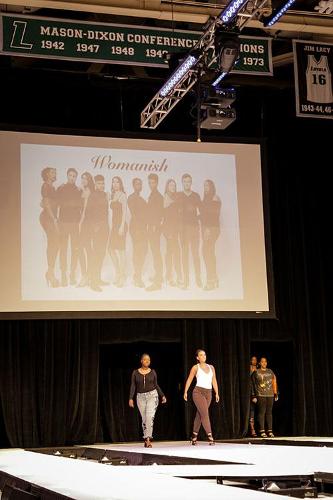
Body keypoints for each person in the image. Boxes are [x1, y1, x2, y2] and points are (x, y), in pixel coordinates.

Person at [129, 353, 167, 448]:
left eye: (149, 360)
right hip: (140, 397)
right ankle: (146, 438)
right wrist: (130, 398)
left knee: (150, 417)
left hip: (152, 396)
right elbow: (133, 386)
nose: (147, 361)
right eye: (145, 359)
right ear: (141, 361)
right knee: (144, 419)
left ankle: (148, 439)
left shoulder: (153, 372)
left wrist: (162, 395)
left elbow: (156, 385)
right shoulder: (135, 373)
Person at [183, 349, 220, 445]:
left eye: (204, 355)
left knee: (200, 415)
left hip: (209, 393)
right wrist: (185, 391)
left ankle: (194, 436)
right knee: (204, 414)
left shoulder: (211, 367)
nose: (203, 356)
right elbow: (189, 379)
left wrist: (217, 393)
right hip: (198, 392)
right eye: (201, 355)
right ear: (197, 358)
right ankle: (210, 436)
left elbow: (214, 380)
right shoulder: (195, 367)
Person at [56, 168, 82, 286]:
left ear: (76, 177)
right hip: (63, 223)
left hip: (75, 223)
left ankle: (72, 274)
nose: (72, 178)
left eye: (74, 176)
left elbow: (81, 207)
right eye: (70, 175)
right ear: (67, 176)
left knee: (75, 249)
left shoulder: (78, 190)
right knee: (63, 249)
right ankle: (63, 275)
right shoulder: (61, 188)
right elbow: (56, 204)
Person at [84, 174, 109, 292]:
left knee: (102, 253)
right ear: (95, 184)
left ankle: (98, 278)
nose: (102, 185)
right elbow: (88, 213)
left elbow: (105, 212)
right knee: (95, 254)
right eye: (99, 183)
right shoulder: (92, 196)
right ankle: (93, 282)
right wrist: (94, 226)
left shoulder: (105, 195)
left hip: (105, 227)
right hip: (96, 228)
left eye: (103, 183)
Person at [179, 174, 202, 289]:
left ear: (191, 183)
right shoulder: (179, 196)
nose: (187, 183)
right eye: (185, 181)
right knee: (184, 255)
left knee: (195, 254)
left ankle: (198, 279)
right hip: (183, 230)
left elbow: (201, 212)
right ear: (182, 183)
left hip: (194, 229)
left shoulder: (196, 196)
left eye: (189, 181)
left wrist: (196, 220)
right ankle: (186, 281)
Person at [39, 167, 59, 287]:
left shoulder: (52, 186)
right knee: (53, 244)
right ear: (46, 174)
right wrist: (54, 219)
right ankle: (50, 274)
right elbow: (46, 204)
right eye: (52, 172)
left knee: (55, 244)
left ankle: (50, 272)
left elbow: (49, 202)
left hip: (51, 217)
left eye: (55, 172)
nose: (54, 173)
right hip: (48, 218)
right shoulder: (46, 186)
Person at [201, 180, 221, 291]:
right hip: (206, 228)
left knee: (207, 253)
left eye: (207, 185)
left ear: (212, 186)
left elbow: (214, 216)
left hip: (212, 229)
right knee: (209, 253)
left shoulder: (215, 198)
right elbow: (204, 215)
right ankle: (214, 278)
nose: (205, 187)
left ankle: (210, 281)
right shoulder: (206, 198)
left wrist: (208, 229)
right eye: (204, 186)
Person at [127, 178, 148, 288]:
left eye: (140, 184)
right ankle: (138, 277)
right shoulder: (131, 198)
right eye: (137, 184)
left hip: (143, 227)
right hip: (136, 228)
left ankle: (137, 274)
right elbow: (135, 214)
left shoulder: (141, 198)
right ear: (133, 185)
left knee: (144, 251)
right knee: (138, 251)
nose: (139, 185)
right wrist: (139, 228)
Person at [251, 357, 278, 438]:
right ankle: (262, 430)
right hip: (260, 395)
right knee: (262, 412)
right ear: (260, 363)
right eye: (262, 362)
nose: (264, 363)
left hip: (270, 394)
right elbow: (253, 384)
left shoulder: (270, 371)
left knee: (269, 413)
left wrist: (276, 393)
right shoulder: (256, 372)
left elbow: (274, 382)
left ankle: (270, 431)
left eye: (265, 362)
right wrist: (253, 395)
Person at [146, 173, 164, 291]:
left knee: (156, 253)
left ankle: (157, 283)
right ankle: (158, 276)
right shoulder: (152, 194)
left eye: (153, 182)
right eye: (149, 182)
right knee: (155, 252)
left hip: (155, 228)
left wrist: (154, 226)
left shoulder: (158, 196)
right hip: (151, 228)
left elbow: (160, 214)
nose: (151, 184)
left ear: (157, 183)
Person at [163, 179, 182, 287]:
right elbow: (166, 216)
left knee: (172, 251)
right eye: (171, 185)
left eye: (174, 185)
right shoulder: (165, 197)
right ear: (167, 186)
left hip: (175, 229)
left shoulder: (176, 197)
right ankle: (174, 276)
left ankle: (170, 275)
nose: (173, 187)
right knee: (174, 252)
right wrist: (168, 231)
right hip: (168, 229)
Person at [77, 172, 95, 287]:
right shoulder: (82, 190)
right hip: (83, 222)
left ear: (89, 180)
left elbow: (84, 211)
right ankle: (87, 276)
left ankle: (86, 276)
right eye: (82, 178)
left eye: (86, 178)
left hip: (86, 223)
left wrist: (80, 224)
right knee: (84, 249)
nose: (84, 180)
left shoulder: (88, 192)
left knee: (85, 249)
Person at [109, 176, 127, 287]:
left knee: (121, 251)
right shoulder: (112, 195)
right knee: (110, 249)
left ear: (120, 184)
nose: (115, 184)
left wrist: (121, 227)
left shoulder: (122, 195)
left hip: (121, 225)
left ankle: (122, 276)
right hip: (114, 226)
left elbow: (124, 212)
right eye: (113, 182)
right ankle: (118, 272)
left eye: (117, 182)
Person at [248, 356, 258, 437]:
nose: (254, 361)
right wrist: (253, 395)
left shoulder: (258, 369)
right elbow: (251, 383)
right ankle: (252, 430)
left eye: (255, 359)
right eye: (252, 359)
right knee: (252, 411)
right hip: (251, 393)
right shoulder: (250, 369)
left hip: (259, 392)